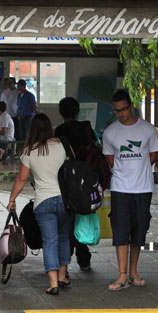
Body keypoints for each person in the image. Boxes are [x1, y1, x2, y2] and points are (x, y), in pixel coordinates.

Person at [7, 113, 73, 296]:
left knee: (50, 241)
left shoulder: (29, 151)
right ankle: (62, 276)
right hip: (65, 201)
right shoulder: (61, 145)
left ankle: (53, 283)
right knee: (64, 238)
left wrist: (12, 199)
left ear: (32, 129)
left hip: (43, 202)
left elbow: (21, 179)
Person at [102, 90, 158, 291]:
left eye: (124, 109)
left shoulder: (148, 130)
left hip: (143, 188)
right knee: (120, 231)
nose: (121, 114)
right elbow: (111, 160)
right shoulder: (110, 132)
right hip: (120, 188)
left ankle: (134, 272)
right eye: (117, 110)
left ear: (131, 105)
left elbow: (153, 156)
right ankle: (122, 275)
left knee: (139, 230)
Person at [54, 97, 95, 270]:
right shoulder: (86, 128)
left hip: (67, 179)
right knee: (83, 213)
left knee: (68, 218)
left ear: (60, 112)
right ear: (78, 111)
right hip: (87, 178)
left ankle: (66, 258)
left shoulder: (59, 130)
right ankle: (83, 256)